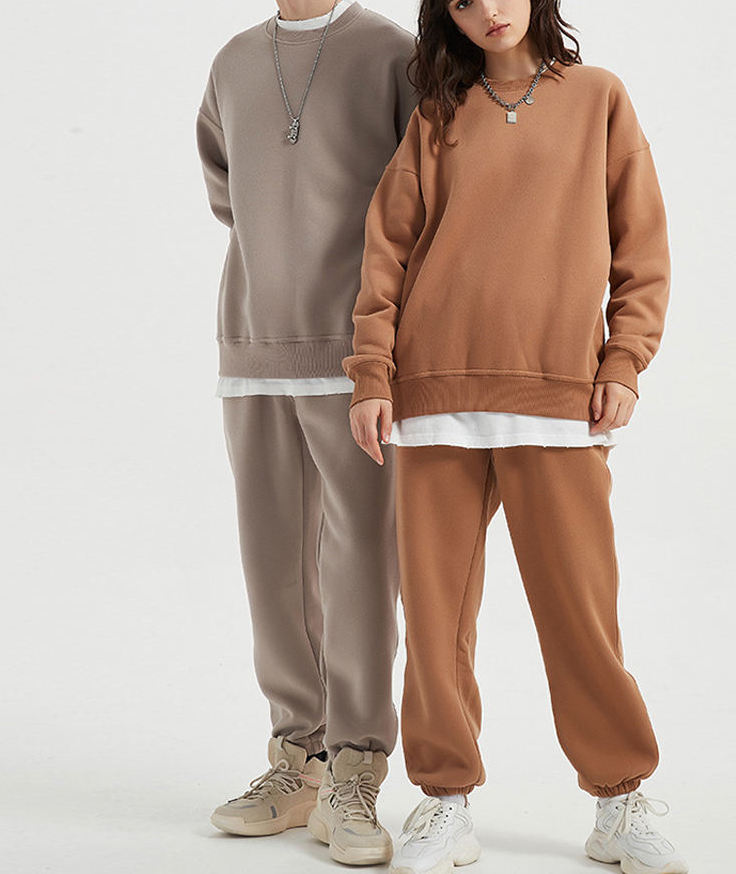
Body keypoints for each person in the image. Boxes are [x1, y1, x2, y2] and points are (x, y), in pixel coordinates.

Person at [341, 0, 688, 872]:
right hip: (434, 395)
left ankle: (618, 802)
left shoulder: (598, 97)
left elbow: (642, 249)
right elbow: (387, 250)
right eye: (462, 1)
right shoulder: (436, 115)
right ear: (446, 16)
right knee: (435, 621)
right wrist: (373, 373)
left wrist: (623, 363)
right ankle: (444, 803)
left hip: (557, 397)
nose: (488, 12)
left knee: (580, 614)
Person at [195, 1, 417, 865]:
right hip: (253, 340)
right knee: (272, 560)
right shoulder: (233, 61)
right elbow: (227, 193)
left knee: (360, 559)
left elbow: (423, 197)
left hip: (357, 351)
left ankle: (358, 766)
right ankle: (300, 760)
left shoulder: (391, 52)